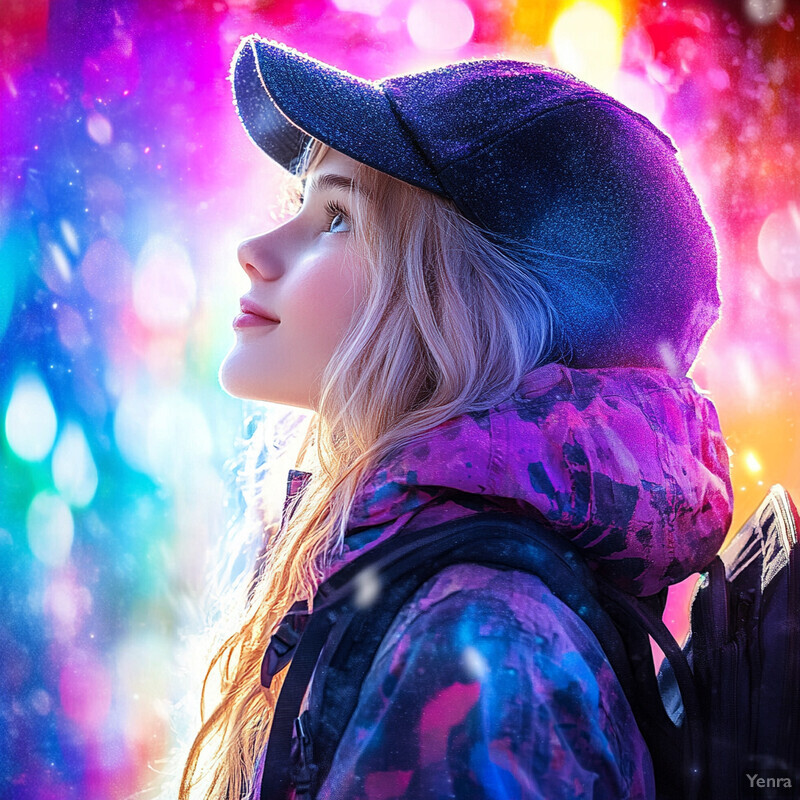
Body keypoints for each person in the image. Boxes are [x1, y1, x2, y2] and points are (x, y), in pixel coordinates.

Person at [178, 36, 734, 800]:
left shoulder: (480, 652)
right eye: (300, 205)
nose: (255, 250)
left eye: (339, 216)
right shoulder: (444, 591)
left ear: (471, 303)